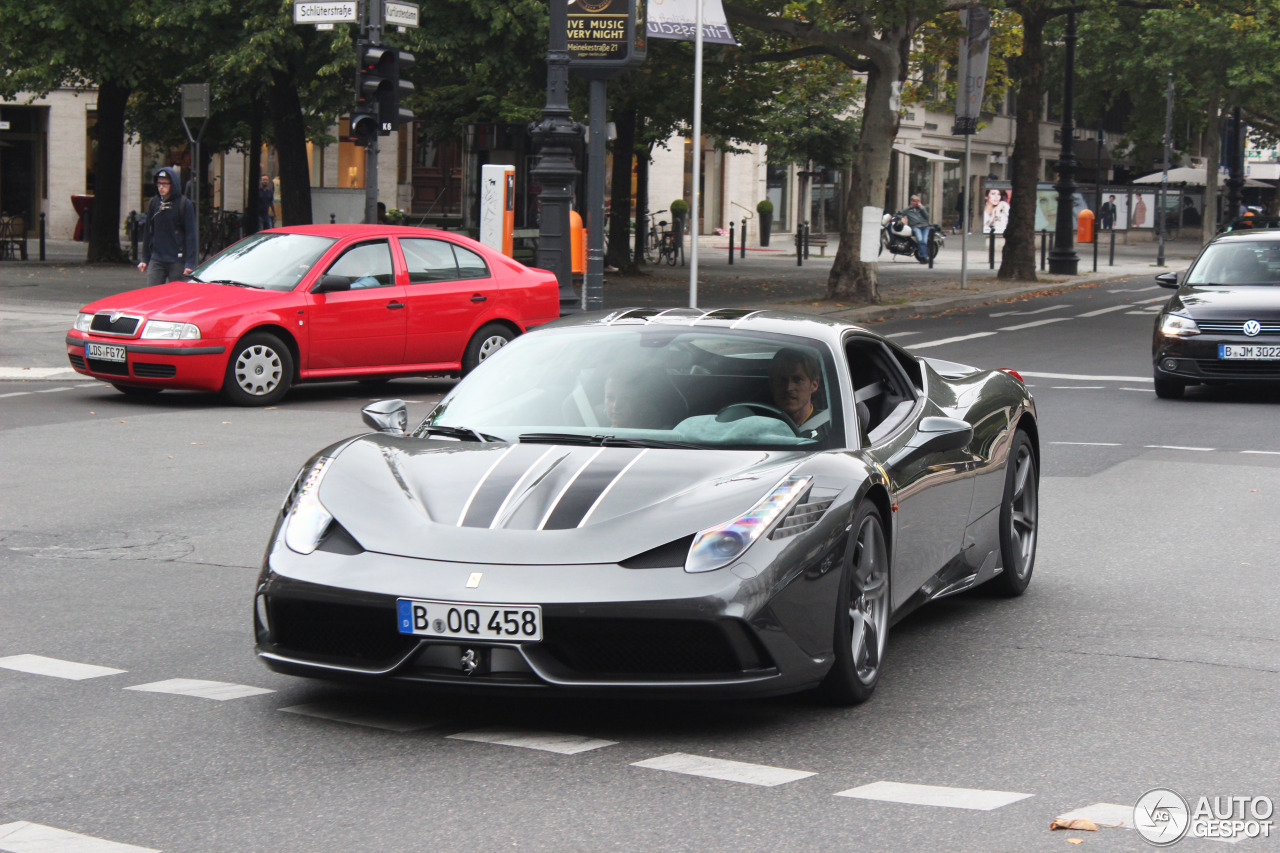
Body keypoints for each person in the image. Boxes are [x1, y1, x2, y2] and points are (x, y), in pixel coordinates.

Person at [137, 166, 198, 286]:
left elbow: (191, 235)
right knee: (152, 295)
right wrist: (145, 258)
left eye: (165, 184)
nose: (161, 187)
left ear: (173, 184)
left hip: (177, 260)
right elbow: (148, 231)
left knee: (176, 297)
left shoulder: (184, 204)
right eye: (159, 183)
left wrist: (190, 263)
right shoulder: (154, 203)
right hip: (157, 259)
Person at [769, 348, 823, 430]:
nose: (788, 388)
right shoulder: (761, 427)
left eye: (797, 379)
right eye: (782, 380)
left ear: (814, 385)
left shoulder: (830, 428)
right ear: (772, 385)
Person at [896, 194, 931, 260]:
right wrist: (902, 218)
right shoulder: (908, 209)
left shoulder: (922, 208)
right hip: (916, 226)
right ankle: (924, 256)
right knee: (920, 240)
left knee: (924, 241)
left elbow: (927, 216)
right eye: (914, 201)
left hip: (925, 226)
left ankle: (924, 255)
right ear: (911, 201)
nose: (915, 203)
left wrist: (922, 209)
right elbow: (899, 214)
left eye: (917, 201)